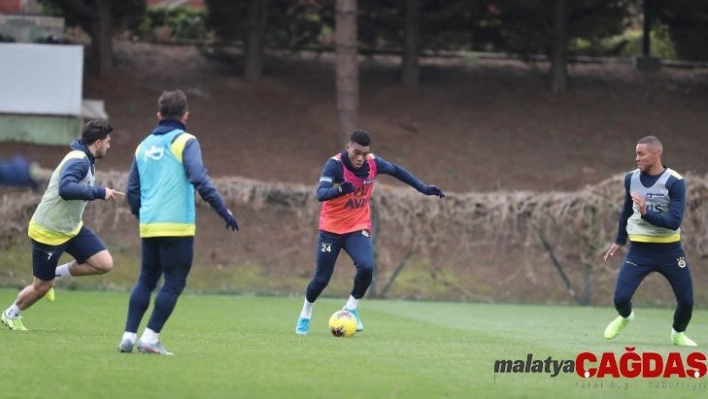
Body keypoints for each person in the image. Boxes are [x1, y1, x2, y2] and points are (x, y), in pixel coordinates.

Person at [119, 90, 239, 355]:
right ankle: (149, 338)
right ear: (186, 116)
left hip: (149, 225)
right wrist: (223, 210)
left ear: (159, 115)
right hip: (177, 226)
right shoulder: (185, 141)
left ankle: (128, 336)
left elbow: (131, 190)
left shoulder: (143, 145)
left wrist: (141, 213)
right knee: (174, 281)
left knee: (146, 280)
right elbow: (199, 178)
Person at [295, 129, 445, 335]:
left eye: (364, 153)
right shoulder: (335, 165)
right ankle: (305, 313)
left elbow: (397, 171)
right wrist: (340, 189)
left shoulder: (373, 163)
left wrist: (423, 188)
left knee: (366, 267)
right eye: (356, 152)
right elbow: (320, 194)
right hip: (330, 229)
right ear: (348, 147)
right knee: (322, 279)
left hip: (357, 226)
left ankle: (351, 308)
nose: (360, 157)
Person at [1, 120, 123, 331]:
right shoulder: (79, 161)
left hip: (71, 229)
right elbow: (65, 189)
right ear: (98, 142)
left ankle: (53, 273)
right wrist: (99, 192)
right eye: (108, 142)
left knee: (104, 263)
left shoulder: (87, 158)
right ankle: (11, 313)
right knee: (42, 287)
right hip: (48, 232)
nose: (109, 146)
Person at [603, 135, 696, 346]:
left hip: (670, 252)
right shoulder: (631, 178)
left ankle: (677, 334)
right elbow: (627, 209)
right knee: (620, 299)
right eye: (636, 153)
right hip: (639, 252)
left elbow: (674, 222)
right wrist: (619, 240)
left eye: (641, 153)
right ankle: (626, 317)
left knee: (687, 301)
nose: (637, 158)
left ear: (656, 154)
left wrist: (646, 213)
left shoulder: (675, 181)